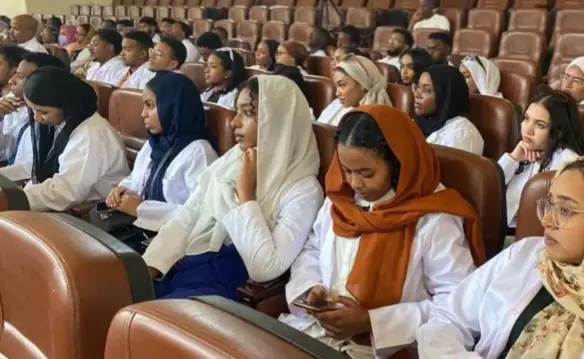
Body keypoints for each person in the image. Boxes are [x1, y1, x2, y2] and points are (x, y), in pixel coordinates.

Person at [280, 105, 480, 358]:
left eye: (367, 173)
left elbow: (457, 302)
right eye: (347, 170)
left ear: (397, 165)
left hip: (387, 348)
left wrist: (372, 322)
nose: (354, 183)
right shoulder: (340, 201)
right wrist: (312, 289)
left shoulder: (433, 217)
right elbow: (312, 249)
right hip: (320, 334)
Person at [418, 154, 584, 359]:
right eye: (550, 204)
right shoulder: (525, 255)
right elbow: (448, 318)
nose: (546, 220)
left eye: (565, 210)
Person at [142, 75, 323, 299]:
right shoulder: (232, 160)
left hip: (226, 284)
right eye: (237, 111)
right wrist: (150, 267)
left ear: (277, 121)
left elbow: (264, 268)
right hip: (187, 264)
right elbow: (188, 216)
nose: (234, 122)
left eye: (248, 113)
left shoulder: (303, 188)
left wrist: (246, 196)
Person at [106, 71, 217, 233]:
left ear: (173, 107)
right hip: (139, 228)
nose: (143, 114)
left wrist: (141, 208)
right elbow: (138, 179)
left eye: (150, 105)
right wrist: (122, 191)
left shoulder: (198, 152)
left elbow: (203, 216)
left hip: (173, 241)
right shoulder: (154, 142)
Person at [21, 66, 130, 211]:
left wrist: (18, 199)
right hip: (69, 206)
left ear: (67, 105)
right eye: (32, 110)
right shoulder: (67, 123)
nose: (36, 117)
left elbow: (65, 193)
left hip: (89, 215)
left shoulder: (91, 135)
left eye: (43, 112)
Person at [498, 89, 584, 229]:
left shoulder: (569, 163)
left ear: (559, 132)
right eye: (526, 119)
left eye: (540, 125)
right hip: (503, 229)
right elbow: (490, 189)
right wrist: (513, 158)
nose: (528, 130)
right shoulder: (525, 149)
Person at [0, 52, 66, 182]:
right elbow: (3, 152)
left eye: (20, 76)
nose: (11, 81)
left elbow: (32, 167)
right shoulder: (12, 102)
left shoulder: (52, 116)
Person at [412, 65, 484, 155]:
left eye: (427, 90)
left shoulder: (462, 133)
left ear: (446, 96)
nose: (417, 94)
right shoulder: (422, 121)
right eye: (418, 87)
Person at [318, 55, 392, 127]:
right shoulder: (336, 104)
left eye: (342, 85)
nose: (337, 93)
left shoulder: (374, 116)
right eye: (336, 86)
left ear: (362, 84)